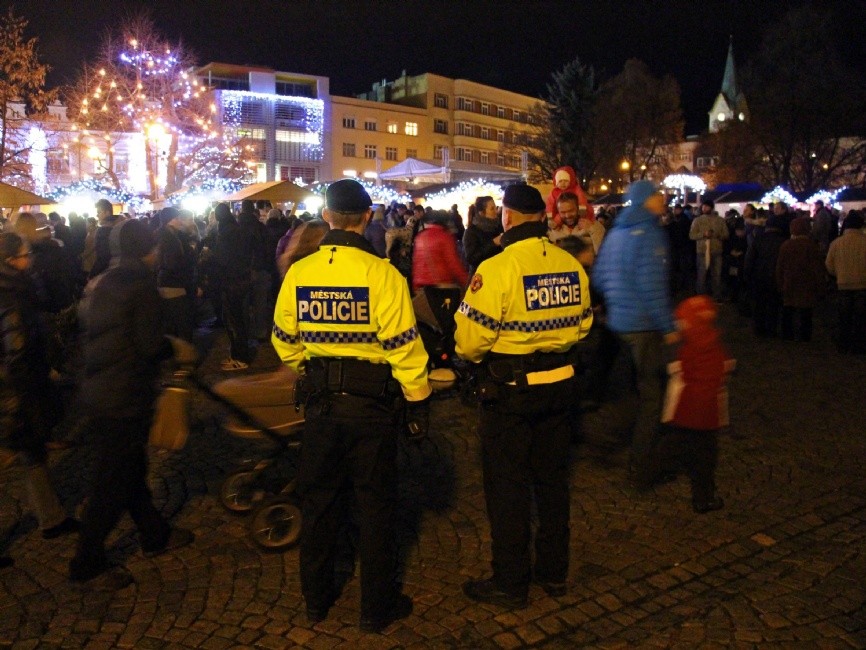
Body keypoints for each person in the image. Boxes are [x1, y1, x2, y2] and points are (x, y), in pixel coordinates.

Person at [272, 179, 431, 632]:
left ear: (326, 217)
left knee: (319, 502)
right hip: (372, 409)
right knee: (376, 506)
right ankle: (375, 608)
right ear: (366, 219)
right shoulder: (382, 274)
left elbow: (283, 341)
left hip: (322, 406)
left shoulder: (301, 273)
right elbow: (404, 346)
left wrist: (310, 367)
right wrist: (418, 401)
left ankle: (315, 600)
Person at [454, 184, 593, 609]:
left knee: (508, 489)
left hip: (510, 394)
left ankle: (511, 583)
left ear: (508, 217)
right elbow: (584, 323)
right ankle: (553, 573)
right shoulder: (570, 263)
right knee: (553, 483)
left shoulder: (497, 268)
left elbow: (470, 342)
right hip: (561, 387)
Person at [70, 219, 195, 587]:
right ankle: (86, 564)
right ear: (147, 249)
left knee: (130, 471)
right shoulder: (141, 287)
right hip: (123, 397)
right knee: (110, 485)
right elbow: (149, 346)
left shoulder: (105, 281)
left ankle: (155, 534)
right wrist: (174, 348)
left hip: (100, 391)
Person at [593, 180, 680, 489]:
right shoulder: (651, 235)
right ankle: (640, 467)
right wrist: (669, 328)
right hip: (644, 327)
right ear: (646, 201)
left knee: (625, 388)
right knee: (651, 396)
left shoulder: (616, 233)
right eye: (658, 195)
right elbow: (652, 286)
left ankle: (605, 437)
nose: (663, 198)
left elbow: (600, 279)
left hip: (618, 325)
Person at [0, 232, 78, 546]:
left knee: (33, 454)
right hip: (14, 391)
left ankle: (51, 518)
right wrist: (35, 380)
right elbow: (17, 350)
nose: (30, 258)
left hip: (16, 387)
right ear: (10, 261)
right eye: (25, 254)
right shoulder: (11, 295)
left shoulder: (16, 288)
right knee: (19, 451)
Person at [660, 296, 734, 513]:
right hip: (707, 414)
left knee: (676, 443)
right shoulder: (713, 346)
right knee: (705, 458)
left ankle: (656, 470)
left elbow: (674, 370)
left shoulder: (685, 347)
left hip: (684, 409)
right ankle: (704, 498)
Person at [213, 203, 254, 369]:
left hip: (231, 281)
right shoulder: (237, 229)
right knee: (239, 319)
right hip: (241, 279)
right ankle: (239, 353)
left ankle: (240, 357)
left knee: (233, 320)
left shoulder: (226, 233)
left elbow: (223, 259)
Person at [775, 217, 825, 342]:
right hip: (806, 282)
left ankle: (788, 334)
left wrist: (780, 282)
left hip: (789, 281)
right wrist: (820, 284)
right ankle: (805, 335)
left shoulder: (786, 245)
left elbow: (780, 266)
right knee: (806, 311)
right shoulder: (811, 246)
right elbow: (817, 267)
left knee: (788, 309)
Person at [825, 212, 866, 354]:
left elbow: (829, 265)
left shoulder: (836, 243)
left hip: (843, 284)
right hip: (863, 285)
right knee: (861, 319)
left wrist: (839, 274)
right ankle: (859, 346)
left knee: (844, 317)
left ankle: (844, 344)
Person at [411, 209, 469, 293]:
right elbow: (453, 263)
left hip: (421, 287)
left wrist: (415, 285)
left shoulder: (419, 237)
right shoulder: (445, 237)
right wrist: (466, 282)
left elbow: (416, 263)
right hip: (441, 286)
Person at [689, 200, 729, 301]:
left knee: (716, 274)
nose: (704, 208)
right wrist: (703, 235)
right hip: (702, 251)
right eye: (703, 207)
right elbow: (692, 235)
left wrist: (718, 235)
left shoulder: (720, 220)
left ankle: (716, 295)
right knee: (701, 274)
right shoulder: (697, 220)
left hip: (716, 250)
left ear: (711, 207)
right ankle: (700, 295)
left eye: (706, 206)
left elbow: (726, 234)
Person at [462, 195, 502, 274]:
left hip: (499, 273)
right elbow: (471, 258)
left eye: (495, 207)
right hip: (481, 277)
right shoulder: (471, 232)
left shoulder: (499, 227)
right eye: (492, 209)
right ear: (481, 213)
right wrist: (493, 243)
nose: (496, 211)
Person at [85, 199, 123, 278]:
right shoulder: (121, 226)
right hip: (121, 270)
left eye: (99, 212)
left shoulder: (103, 230)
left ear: (107, 212)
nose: (97, 215)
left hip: (106, 273)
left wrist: (92, 275)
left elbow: (102, 257)